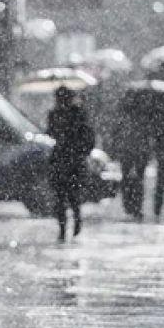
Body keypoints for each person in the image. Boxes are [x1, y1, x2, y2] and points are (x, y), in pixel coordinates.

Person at [46, 86, 95, 242]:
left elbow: (88, 138)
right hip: (59, 160)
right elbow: (50, 133)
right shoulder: (54, 114)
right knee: (60, 198)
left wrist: (78, 151)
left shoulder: (78, 114)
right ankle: (62, 229)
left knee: (73, 197)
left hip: (74, 161)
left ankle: (76, 222)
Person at [111, 102, 153, 221]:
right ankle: (135, 205)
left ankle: (130, 204)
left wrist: (115, 150)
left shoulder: (123, 121)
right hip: (136, 155)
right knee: (137, 181)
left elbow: (115, 137)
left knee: (128, 180)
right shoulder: (143, 121)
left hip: (129, 154)